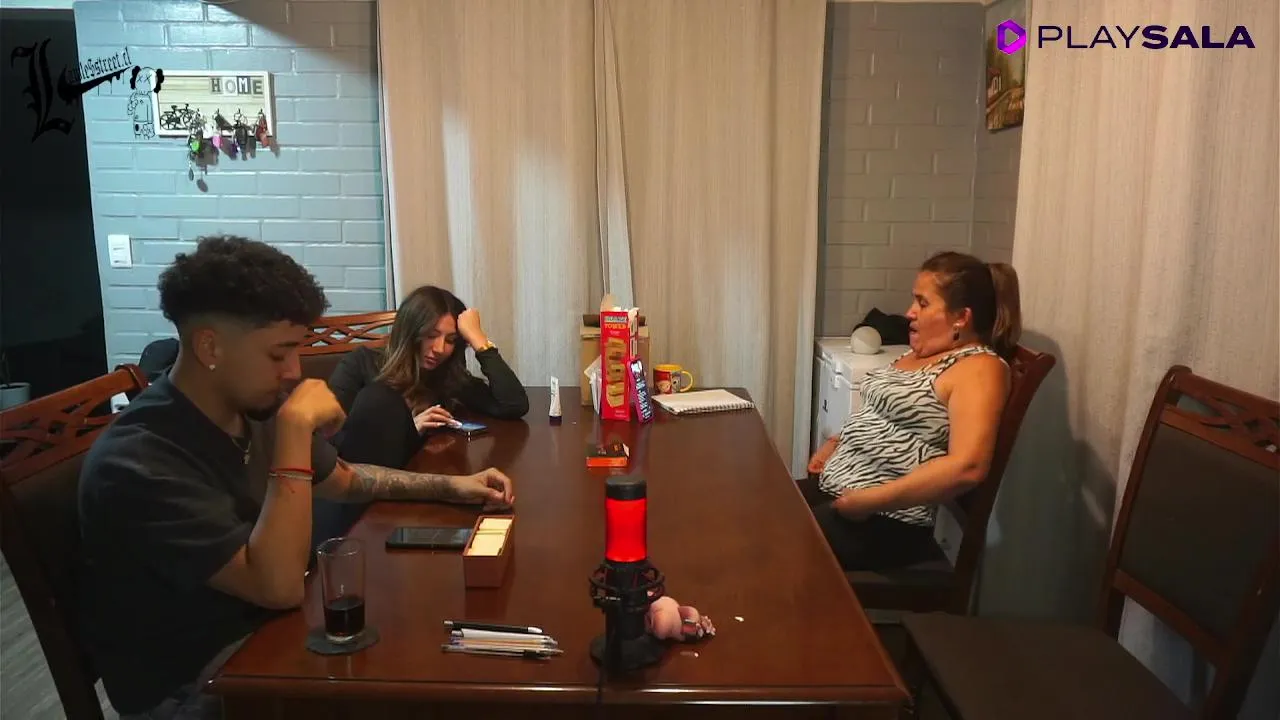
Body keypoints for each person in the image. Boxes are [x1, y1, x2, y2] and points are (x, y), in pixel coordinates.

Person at [78, 236, 516, 720]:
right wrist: (293, 429)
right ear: (209, 346)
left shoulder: (248, 407)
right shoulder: (139, 460)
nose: (293, 371)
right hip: (203, 685)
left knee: (443, 637)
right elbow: (278, 586)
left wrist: (452, 487)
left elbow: (345, 478)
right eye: (278, 354)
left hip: (273, 635)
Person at [799, 251, 1021, 571]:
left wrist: (869, 501)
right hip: (840, 493)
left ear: (961, 317)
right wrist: (836, 442)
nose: (909, 312)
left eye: (922, 303)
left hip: (885, 521)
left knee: (764, 542)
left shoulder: (979, 368)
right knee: (749, 509)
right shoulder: (920, 355)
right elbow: (882, 413)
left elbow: (969, 466)